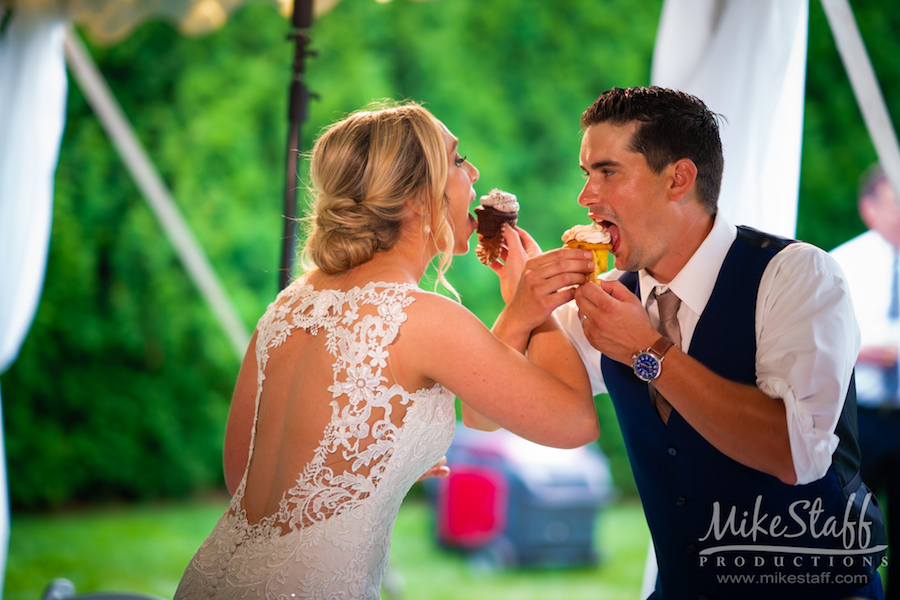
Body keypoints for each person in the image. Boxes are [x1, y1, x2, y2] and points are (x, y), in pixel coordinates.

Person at [173, 102, 599, 599]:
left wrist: (520, 312)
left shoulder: (290, 304)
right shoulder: (422, 317)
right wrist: (542, 310)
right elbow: (575, 421)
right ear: (418, 198)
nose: (475, 172)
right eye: (458, 161)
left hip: (213, 577)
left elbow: (240, 473)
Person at [501, 86, 887, 599]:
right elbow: (491, 410)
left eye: (607, 172)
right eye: (586, 174)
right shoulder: (608, 299)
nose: (586, 196)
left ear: (679, 178)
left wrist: (648, 351)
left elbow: (796, 455)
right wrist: (522, 305)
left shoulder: (798, 275)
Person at [831, 165, 900, 600]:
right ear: (869, 208)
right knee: (849, 524)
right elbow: (823, 340)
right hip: (863, 419)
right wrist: (873, 351)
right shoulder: (843, 262)